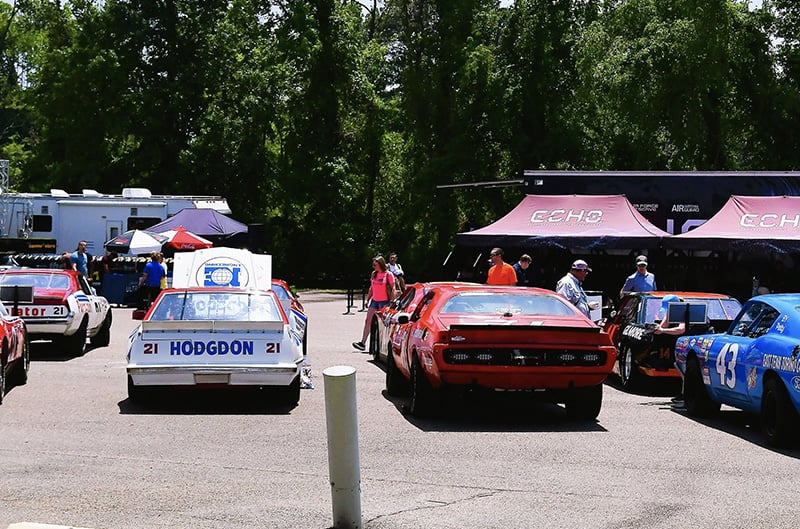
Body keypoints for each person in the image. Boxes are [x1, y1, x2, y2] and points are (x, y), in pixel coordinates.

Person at [352, 255, 396, 351]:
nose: (374, 266)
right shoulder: (374, 274)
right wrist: (367, 299)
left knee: (383, 324)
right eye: (373, 265)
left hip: (384, 302)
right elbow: (371, 288)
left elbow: (393, 288)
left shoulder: (388, 274)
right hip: (375, 301)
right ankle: (362, 343)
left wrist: (392, 301)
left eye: (375, 264)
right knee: (368, 321)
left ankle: (384, 346)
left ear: (380, 264)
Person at [651, 294, 687, 409]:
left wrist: (663, 330)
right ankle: (683, 395)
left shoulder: (683, 311)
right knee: (679, 367)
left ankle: (687, 397)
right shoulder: (671, 311)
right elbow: (662, 326)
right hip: (679, 345)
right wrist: (656, 329)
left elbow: (681, 329)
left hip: (688, 342)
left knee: (686, 372)